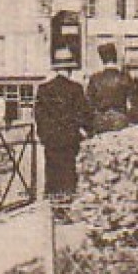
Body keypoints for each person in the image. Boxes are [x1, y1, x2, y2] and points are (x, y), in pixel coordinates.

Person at [33, 61, 90, 197]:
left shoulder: (43, 88)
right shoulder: (76, 88)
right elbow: (83, 114)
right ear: (69, 70)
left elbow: (39, 116)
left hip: (51, 139)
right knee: (68, 174)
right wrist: (82, 131)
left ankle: (53, 203)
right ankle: (67, 202)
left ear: (56, 70)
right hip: (70, 139)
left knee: (52, 172)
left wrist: (43, 135)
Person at [87, 43, 138, 134]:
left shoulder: (95, 79)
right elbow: (136, 105)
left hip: (100, 123)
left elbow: (89, 105)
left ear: (102, 59)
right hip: (120, 122)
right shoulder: (125, 77)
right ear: (115, 57)